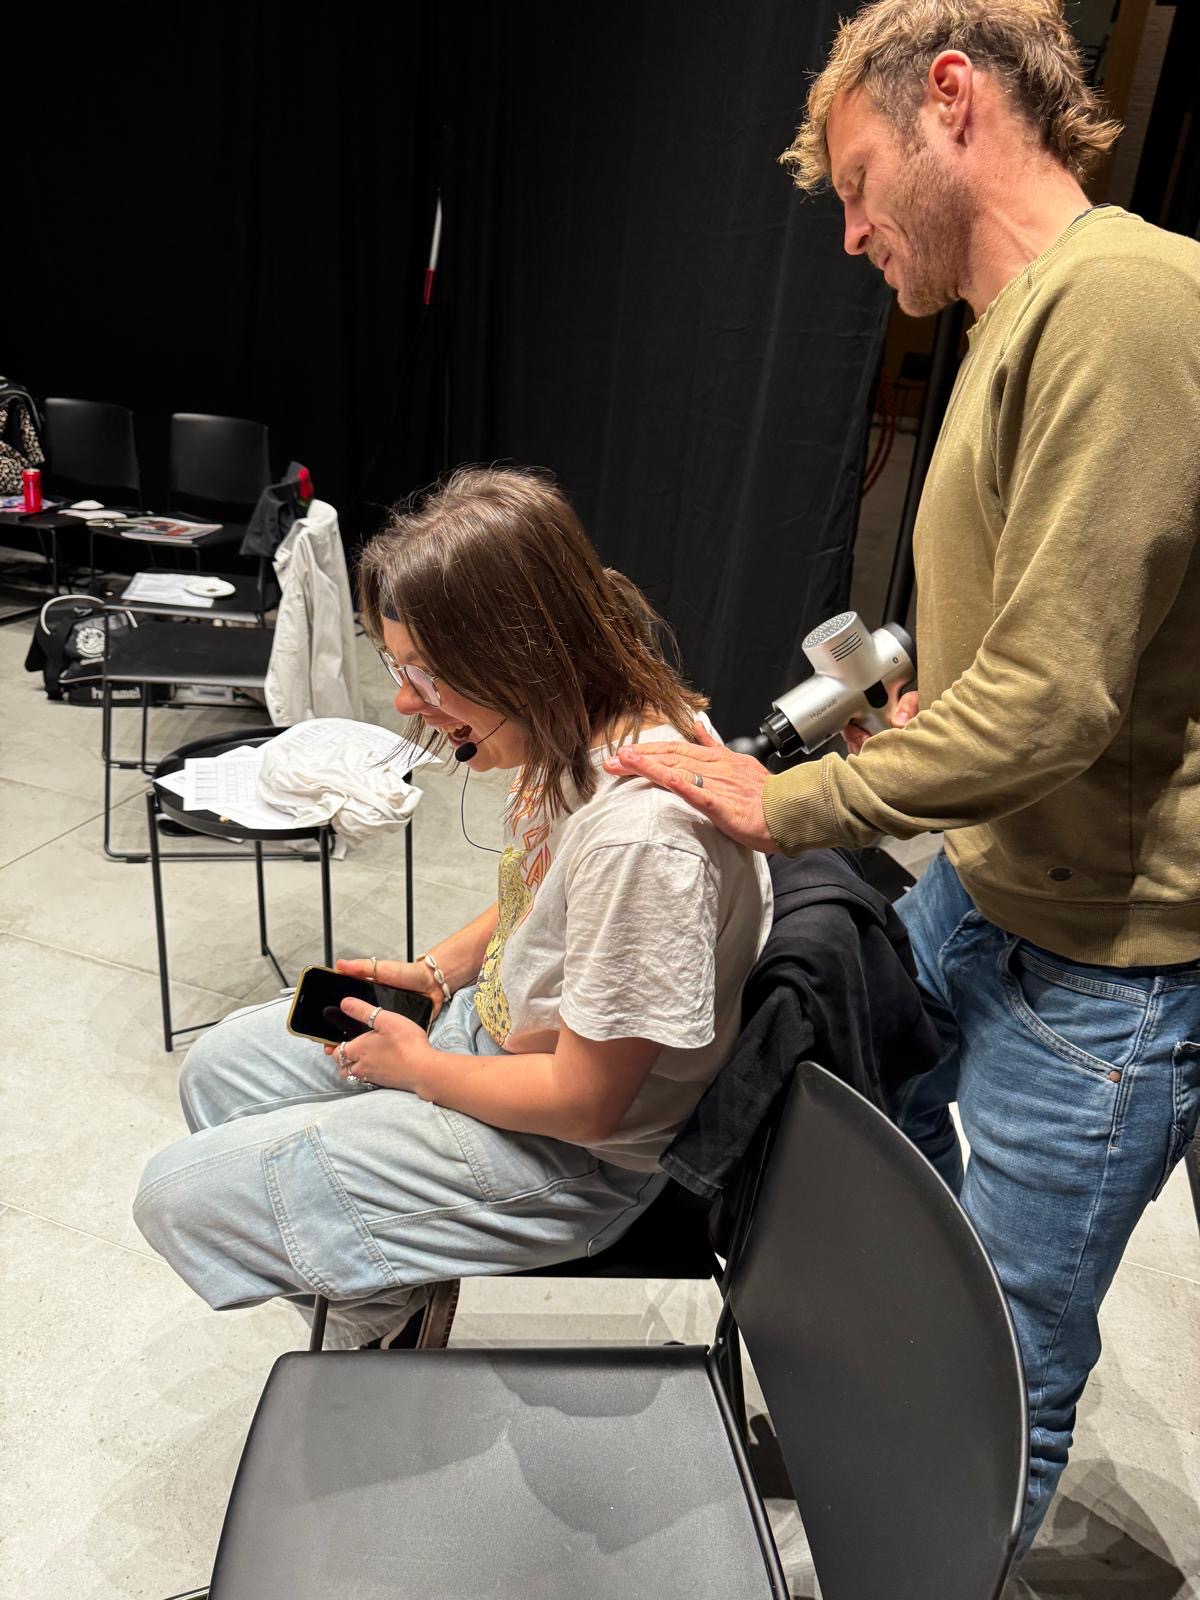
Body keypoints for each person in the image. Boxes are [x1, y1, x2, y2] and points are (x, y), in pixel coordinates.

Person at [603, 0, 1200, 1557]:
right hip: (989, 888)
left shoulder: (1125, 301)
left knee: (997, 1357)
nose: (854, 231)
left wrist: (787, 804)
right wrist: (940, 706)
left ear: (952, 98)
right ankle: (875, 1447)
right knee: (871, 1186)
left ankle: (933, 1525)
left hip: (1107, 963)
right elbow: (1054, 646)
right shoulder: (1015, 328)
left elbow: (1058, 701)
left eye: (862, 184)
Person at [134, 466, 772, 1349]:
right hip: (497, 1037)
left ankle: (376, 1321)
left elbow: (586, 1105)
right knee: (220, 1073)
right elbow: (543, 897)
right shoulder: (585, 721)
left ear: (523, 655)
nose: (406, 701)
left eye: (428, 676)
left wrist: (421, 1072)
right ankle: (381, 1279)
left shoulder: (643, 840)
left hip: (571, 1158)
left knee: (176, 1200)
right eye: (400, 668)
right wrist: (436, 974)